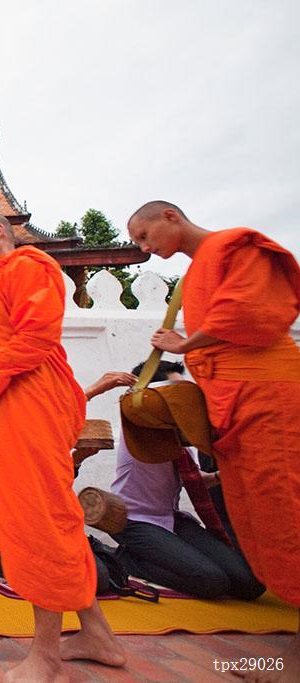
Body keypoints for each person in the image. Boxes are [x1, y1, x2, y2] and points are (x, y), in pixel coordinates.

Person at [0, 215, 124, 681]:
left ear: (0, 232)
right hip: (9, 408)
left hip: (30, 405)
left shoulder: (28, 265)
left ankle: (46, 657)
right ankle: (97, 635)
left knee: (40, 524)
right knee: (48, 519)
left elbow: (37, 339)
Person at [128, 200, 300, 678]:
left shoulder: (234, 245)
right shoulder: (191, 275)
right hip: (231, 401)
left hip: (268, 392)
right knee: (261, 512)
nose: (143, 248)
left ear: (171, 218)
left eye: (144, 236)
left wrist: (187, 344)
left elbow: (252, 311)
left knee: (288, 505)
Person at [101, 360, 264, 600]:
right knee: (212, 581)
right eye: (174, 390)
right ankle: (123, 558)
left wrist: (225, 475)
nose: (182, 398)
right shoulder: (138, 425)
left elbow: (197, 479)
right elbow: (144, 405)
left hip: (171, 518)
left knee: (250, 584)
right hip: (134, 521)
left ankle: (168, 557)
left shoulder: (181, 436)